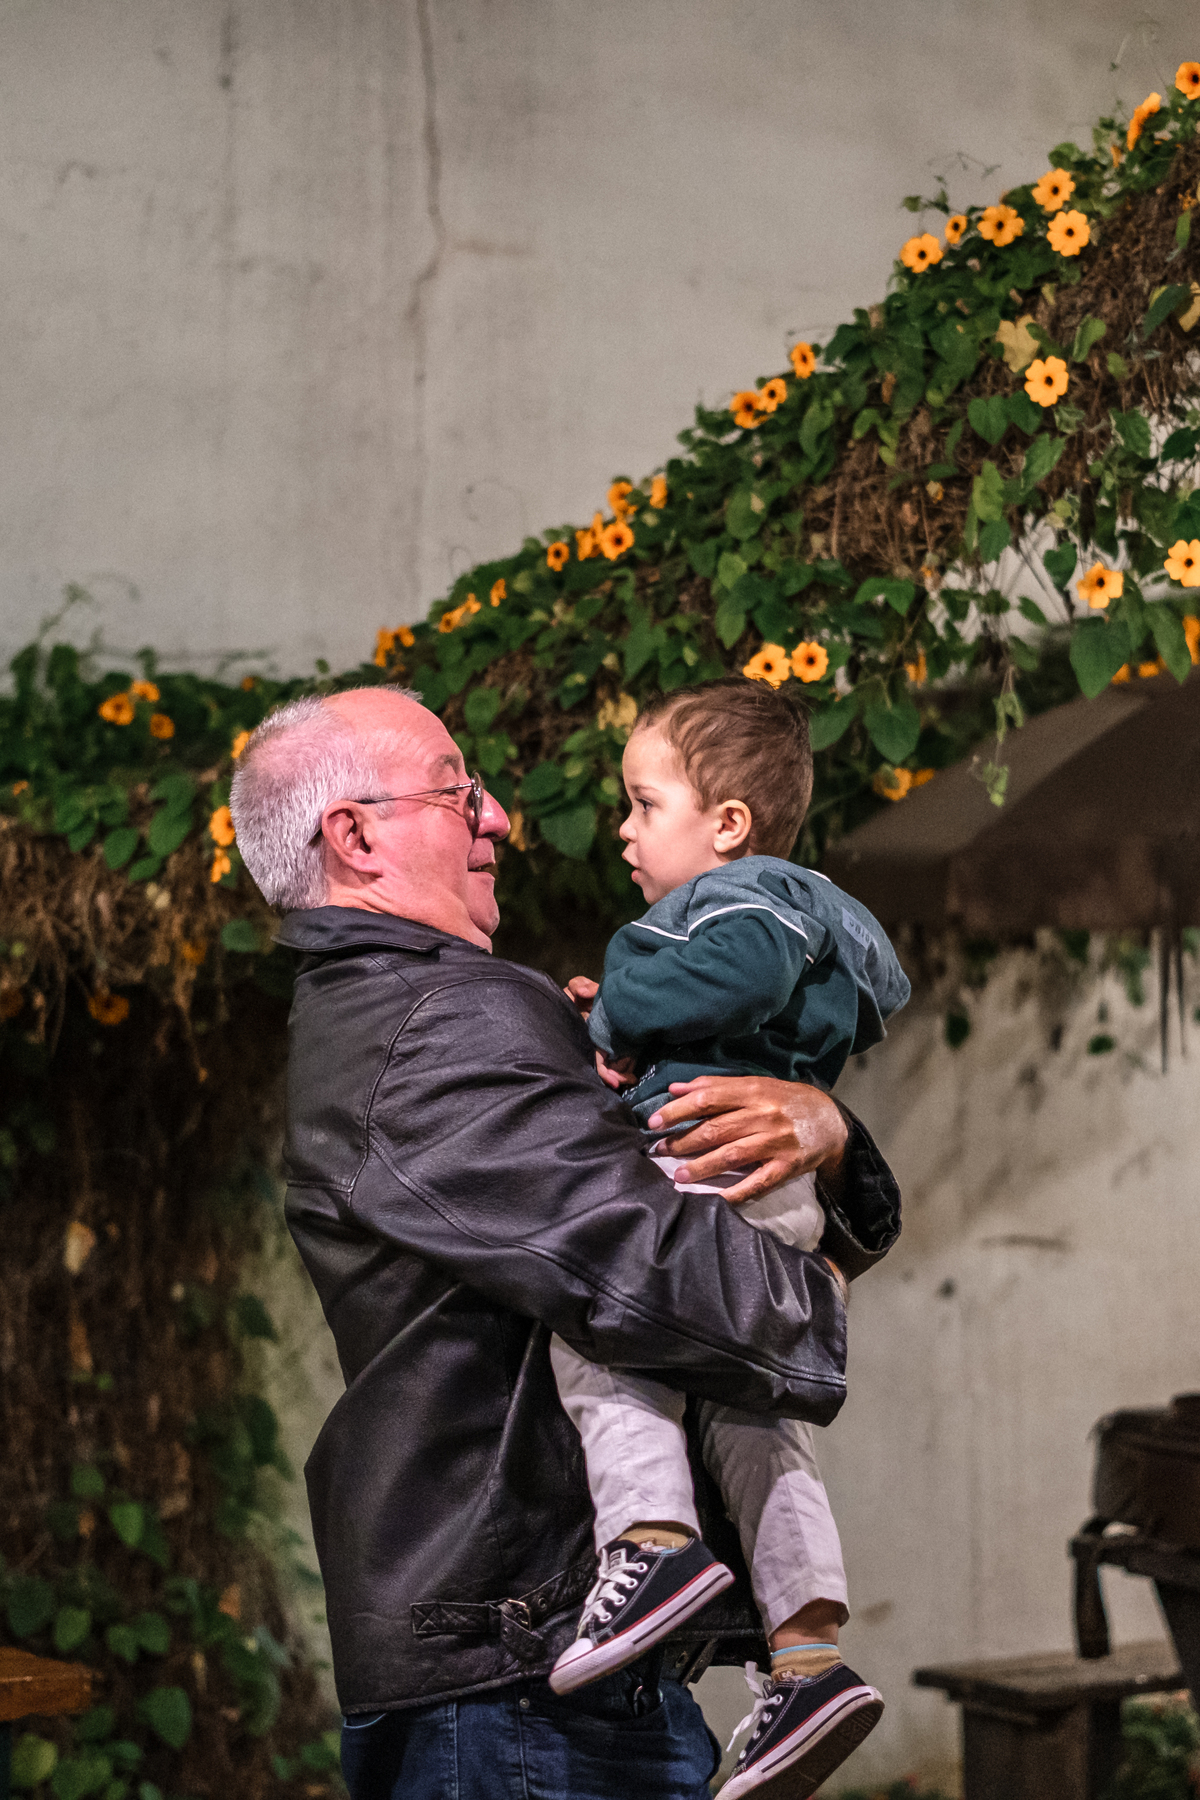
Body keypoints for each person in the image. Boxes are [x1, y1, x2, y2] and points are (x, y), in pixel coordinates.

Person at [229, 684, 901, 1800]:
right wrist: (822, 1279)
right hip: (515, 1687)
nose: (500, 819)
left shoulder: (441, 1008)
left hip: (539, 1670)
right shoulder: (428, 1027)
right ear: (354, 834)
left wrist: (830, 1140)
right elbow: (651, 1274)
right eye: (461, 793)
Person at [547, 678, 909, 1797]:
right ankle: (806, 1656)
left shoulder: (746, 898)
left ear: (729, 824)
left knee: (601, 1336)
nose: (623, 829)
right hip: (773, 1192)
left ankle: (650, 1548)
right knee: (758, 1421)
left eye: (644, 803)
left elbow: (731, 965)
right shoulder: (816, 911)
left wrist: (615, 1008)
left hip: (709, 1173)